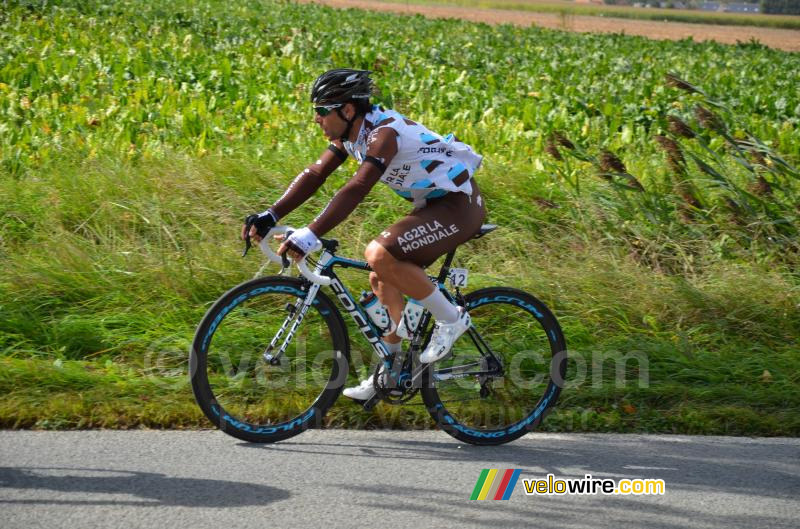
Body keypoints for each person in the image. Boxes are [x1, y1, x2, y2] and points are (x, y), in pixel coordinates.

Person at [242, 69, 487, 400]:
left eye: (322, 110)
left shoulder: (384, 134)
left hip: (459, 205)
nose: (316, 119)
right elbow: (315, 174)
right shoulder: (350, 135)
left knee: (379, 254)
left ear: (347, 110)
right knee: (381, 279)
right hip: (432, 206)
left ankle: (451, 319)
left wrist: (312, 233)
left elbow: (357, 186)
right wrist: (270, 214)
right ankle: (392, 372)